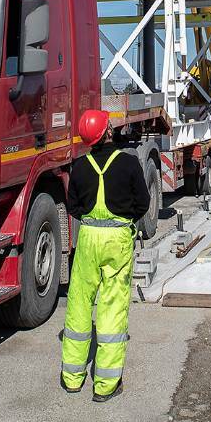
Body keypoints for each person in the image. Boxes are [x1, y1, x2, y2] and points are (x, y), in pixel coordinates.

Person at [60, 108, 150, 403]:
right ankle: (105, 385)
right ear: (108, 131)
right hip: (117, 239)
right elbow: (143, 204)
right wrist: (124, 221)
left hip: (88, 238)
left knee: (79, 303)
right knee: (112, 305)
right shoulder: (128, 163)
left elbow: (72, 205)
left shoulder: (80, 165)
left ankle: (72, 377)